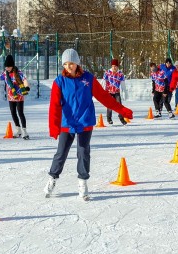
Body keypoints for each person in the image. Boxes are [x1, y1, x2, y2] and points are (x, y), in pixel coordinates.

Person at [44, 49, 133, 201]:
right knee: (61, 153)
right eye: (65, 64)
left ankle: (82, 183)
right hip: (67, 123)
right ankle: (52, 179)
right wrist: (54, 127)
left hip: (85, 121)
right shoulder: (59, 81)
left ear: (77, 63)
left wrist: (122, 110)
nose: (68, 67)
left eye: (71, 63)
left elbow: (105, 97)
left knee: (83, 153)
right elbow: (54, 106)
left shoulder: (88, 79)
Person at [0, 54, 31, 139]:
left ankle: (25, 131)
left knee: (20, 113)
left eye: (8, 67)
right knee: (13, 112)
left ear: (12, 66)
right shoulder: (5, 74)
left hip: (19, 95)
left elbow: (25, 80)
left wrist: (26, 87)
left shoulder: (19, 73)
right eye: (6, 67)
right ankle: (18, 130)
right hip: (11, 96)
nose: (6, 68)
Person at [103, 58, 127, 125]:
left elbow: (123, 84)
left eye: (115, 66)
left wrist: (124, 91)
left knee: (119, 105)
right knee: (110, 105)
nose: (114, 68)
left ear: (117, 67)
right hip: (109, 92)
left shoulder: (120, 74)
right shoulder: (107, 73)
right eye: (113, 66)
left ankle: (121, 118)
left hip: (116, 92)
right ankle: (109, 118)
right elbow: (104, 82)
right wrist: (103, 90)